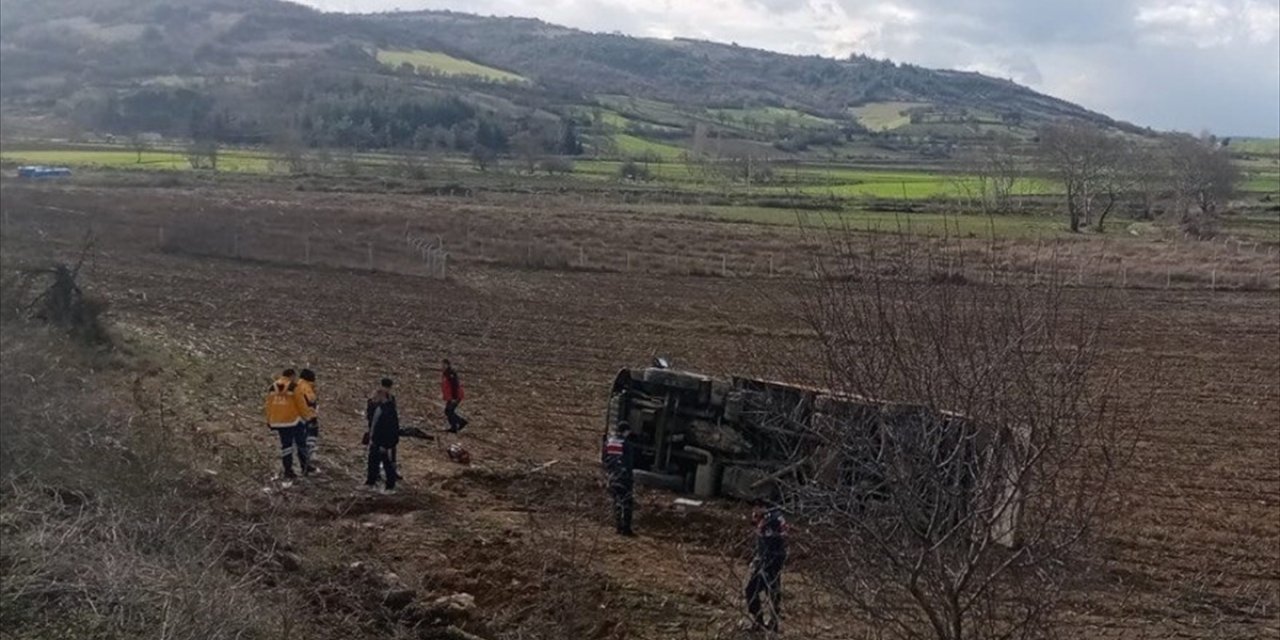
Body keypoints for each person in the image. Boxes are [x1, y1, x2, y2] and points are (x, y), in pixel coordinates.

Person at [745, 502, 789, 632]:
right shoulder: (764, 518)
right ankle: (763, 622)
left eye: (757, 508)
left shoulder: (773, 518)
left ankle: (767, 623)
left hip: (772, 559)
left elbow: (782, 534)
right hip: (765, 559)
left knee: (763, 590)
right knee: (768, 590)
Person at [264, 368, 310, 479]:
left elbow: (268, 405)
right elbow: (301, 404)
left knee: (286, 446)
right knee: (301, 443)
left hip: (279, 421)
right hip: (293, 420)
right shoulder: (294, 387)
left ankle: (288, 470)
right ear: (292, 376)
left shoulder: (272, 387)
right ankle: (305, 466)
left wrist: (269, 420)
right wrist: (307, 417)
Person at [364, 378, 400, 494]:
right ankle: (371, 482)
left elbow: (390, 428)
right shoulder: (377, 406)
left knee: (387, 463)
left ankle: (390, 485)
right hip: (376, 439)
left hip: (384, 442)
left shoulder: (388, 410)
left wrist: (386, 444)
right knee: (373, 461)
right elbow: (372, 420)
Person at [601, 421, 635, 536]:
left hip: (611, 475)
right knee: (626, 501)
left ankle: (618, 526)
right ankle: (626, 529)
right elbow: (629, 462)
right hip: (623, 476)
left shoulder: (609, 442)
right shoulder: (626, 444)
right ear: (626, 431)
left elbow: (604, 458)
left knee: (616, 501)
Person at [296, 368, 319, 475]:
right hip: (307, 417)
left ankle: (306, 463)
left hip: (299, 417)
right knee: (307, 438)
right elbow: (310, 401)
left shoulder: (298, 385)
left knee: (303, 440)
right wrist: (311, 416)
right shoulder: (306, 387)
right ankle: (306, 464)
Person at [441, 359, 469, 433]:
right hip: (451, 396)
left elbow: (454, 386)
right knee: (448, 411)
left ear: (448, 365)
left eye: (444, 365)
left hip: (455, 396)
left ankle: (460, 423)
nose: (443, 366)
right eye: (442, 365)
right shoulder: (446, 373)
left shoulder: (450, 373)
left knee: (449, 411)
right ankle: (455, 426)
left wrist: (454, 397)